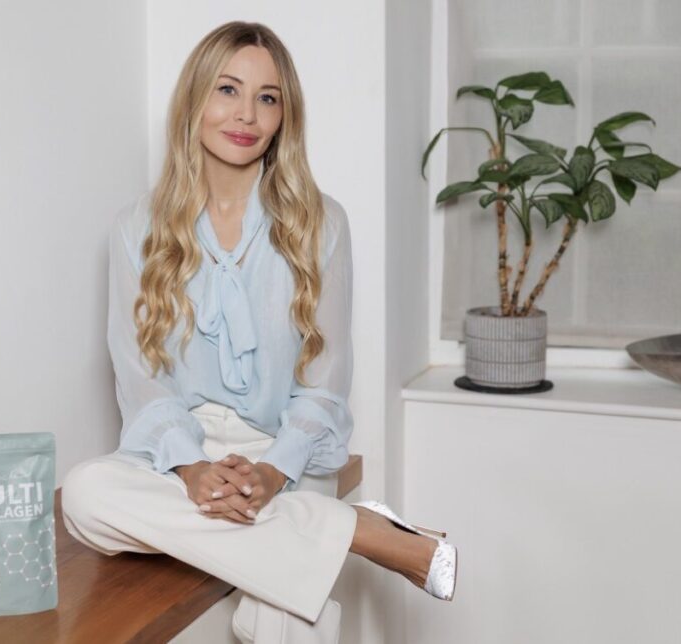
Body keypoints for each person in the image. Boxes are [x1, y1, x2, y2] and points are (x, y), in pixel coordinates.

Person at [61, 20, 457, 642]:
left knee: (283, 614)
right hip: (178, 456)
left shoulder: (321, 223)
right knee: (85, 497)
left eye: (267, 98)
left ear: (284, 116)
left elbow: (325, 383)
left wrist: (274, 470)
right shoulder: (134, 227)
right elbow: (140, 377)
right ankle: (358, 533)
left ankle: (309, 518)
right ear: (195, 99)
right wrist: (191, 466)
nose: (246, 114)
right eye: (227, 90)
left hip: (286, 453)